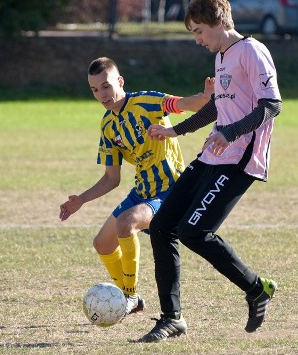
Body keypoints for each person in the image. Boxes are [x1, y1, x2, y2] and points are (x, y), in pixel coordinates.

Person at [139, 0, 282, 342]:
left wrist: (231, 133)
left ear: (218, 22)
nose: (197, 40)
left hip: (239, 159)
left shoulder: (252, 51)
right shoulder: (220, 58)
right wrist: (176, 131)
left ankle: (255, 288)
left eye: (199, 31)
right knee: (162, 226)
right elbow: (218, 106)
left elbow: (271, 105)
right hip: (212, 155)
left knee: (194, 231)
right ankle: (172, 318)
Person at [59, 57, 212, 317]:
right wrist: (81, 200)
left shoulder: (148, 102)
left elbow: (185, 104)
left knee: (126, 223)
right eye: (94, 90)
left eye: (105, 86)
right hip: (142, 191)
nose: (101, 95)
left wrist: (208, 97)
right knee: (102, 244)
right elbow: (111, 178)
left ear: (120, 81)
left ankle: (128, 296)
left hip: (170, 190)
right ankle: (134, 300)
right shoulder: (108, 125)